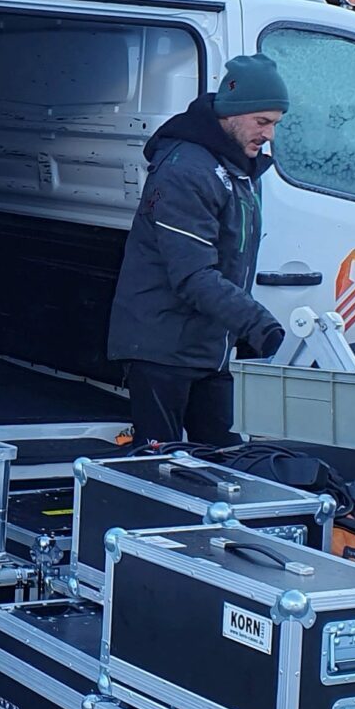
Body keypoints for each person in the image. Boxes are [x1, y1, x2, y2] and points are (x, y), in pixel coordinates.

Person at [107, 55, 292, 445]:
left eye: (275, 123)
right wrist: (262, 329)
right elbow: (193, 275)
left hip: (209, 349)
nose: (270, 134)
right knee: (160, 468)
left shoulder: (238, 168)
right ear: (232, 114)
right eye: (262, 122)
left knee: (228, 465)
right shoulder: (186, 171)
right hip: (162, 349)